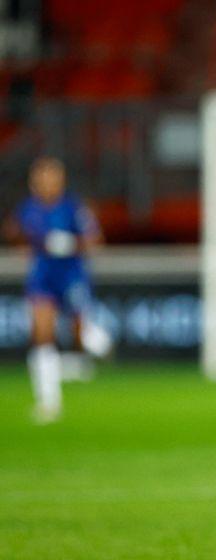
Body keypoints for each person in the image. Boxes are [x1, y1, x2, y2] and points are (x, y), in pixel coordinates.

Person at [4, 157, 108, 423]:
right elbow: (14, 233)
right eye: (40, 178)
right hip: (42, 277)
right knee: (42, 335)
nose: (45, 183)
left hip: (71, 276)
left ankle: (94, 345)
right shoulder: (28, 209)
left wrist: (71, 244)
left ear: (60, 181)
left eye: (50, 177)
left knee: (79, 336)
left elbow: (95, 238)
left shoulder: (73, 208)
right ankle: (49, 401)